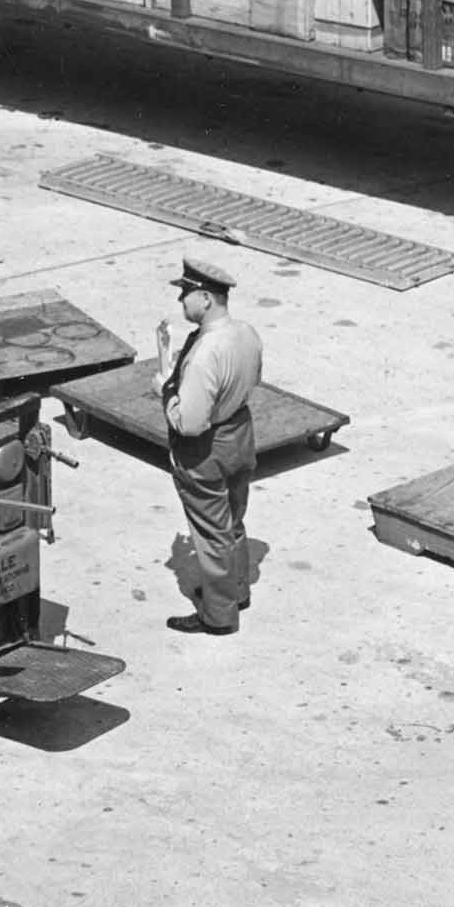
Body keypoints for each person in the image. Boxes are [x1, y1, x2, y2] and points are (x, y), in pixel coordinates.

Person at [154, 256, 263, 637]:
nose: (181, 301)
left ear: (204, 297)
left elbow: (189, 422)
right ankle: (237, 590)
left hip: (206, 447)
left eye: (185, 293)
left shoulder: (203, 354)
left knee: (211, 532)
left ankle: (219, 615)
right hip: (240, 433)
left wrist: (165, 392)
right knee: (233, 519)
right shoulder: (246, 333)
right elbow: (255, 380)